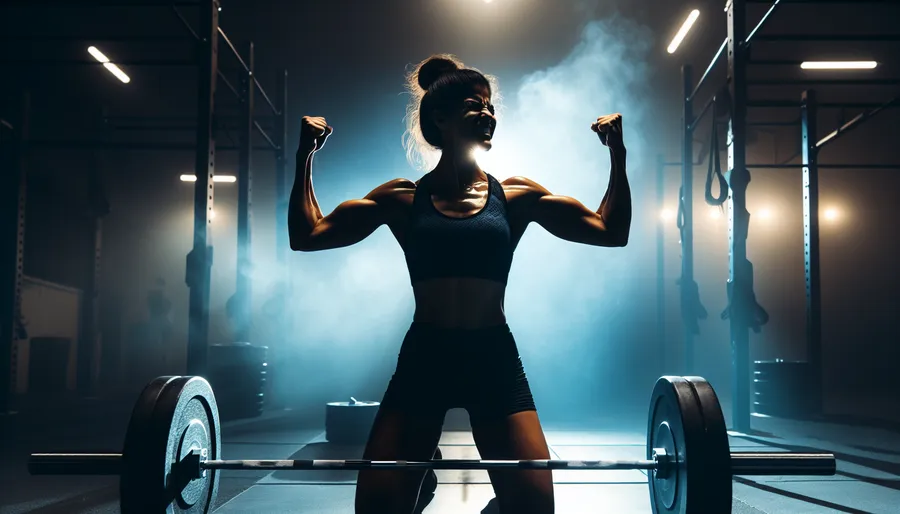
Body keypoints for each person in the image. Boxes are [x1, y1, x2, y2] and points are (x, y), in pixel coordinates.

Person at [288, 54, 631, 514]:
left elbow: (611, 231)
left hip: (492, 357)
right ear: (440, 118)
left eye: (490, 106)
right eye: (475, 105)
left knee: (533, 507)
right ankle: (420, 478)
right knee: (377, 509)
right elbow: (307, 236)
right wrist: (303, 157)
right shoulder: (403, 198)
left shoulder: (514, 195)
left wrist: (617, 154)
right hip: (426, 357)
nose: (488, 114)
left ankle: (433, 477)